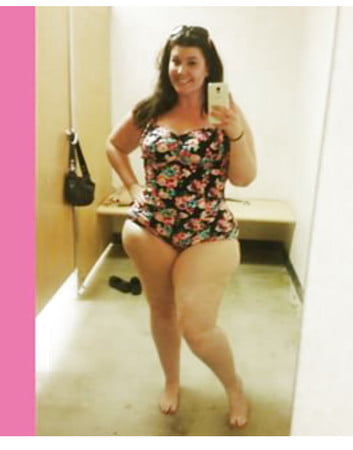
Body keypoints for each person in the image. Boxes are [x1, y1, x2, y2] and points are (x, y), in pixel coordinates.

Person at [106, 25, 256, 429]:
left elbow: (244, 178)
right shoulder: (151, 109)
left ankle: (234, 386)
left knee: (197, 327)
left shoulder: (226, 111)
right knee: (161, 309)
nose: (182, 70)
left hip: (208, 230)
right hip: (151, 226)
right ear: (166, 64)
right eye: (175, 61)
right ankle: (172, 380)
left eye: (192, 62)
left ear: (208, 69)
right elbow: (114, 145)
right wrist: (132, 187)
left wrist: (234, 132)